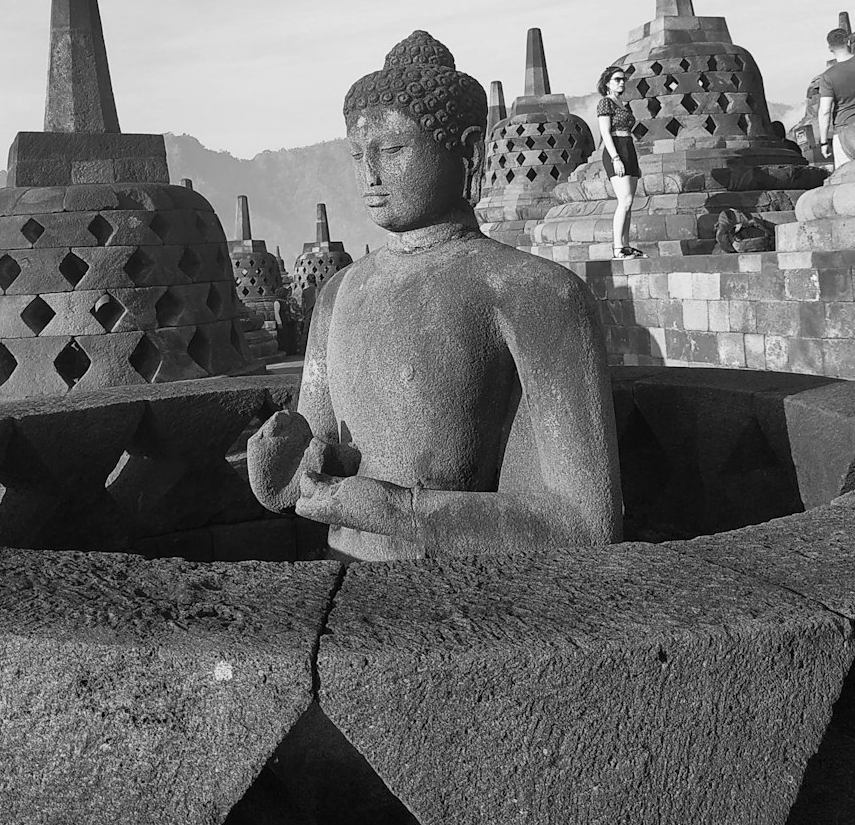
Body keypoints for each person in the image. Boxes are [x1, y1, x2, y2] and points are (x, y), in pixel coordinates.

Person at [247, 30, 622, 562]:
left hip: (468, 598)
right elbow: (317, 455)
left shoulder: (534, 294)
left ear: (467, 150)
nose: (371, 176)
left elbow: (583, 522)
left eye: (394, 150)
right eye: (358, 155)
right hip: (339, 583)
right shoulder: (337, 293)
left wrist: (396, 511)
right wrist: (284, 474)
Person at [596, 65, 643, 258]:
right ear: (607, 83)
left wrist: (634, 163)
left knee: (629, 203)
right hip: (615, 148)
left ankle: (626, 244)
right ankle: (617, 247)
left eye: (623, 79)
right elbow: (605, 133)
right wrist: (616, 158)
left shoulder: (623, 104)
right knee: (625, 200)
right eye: (617, 79)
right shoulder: (605, 103)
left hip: (628, 147)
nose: (621, 82)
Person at [817, 28, 855, 168]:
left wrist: (823, 142)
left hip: (845, 134)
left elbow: (825, 111)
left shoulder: (828, 76)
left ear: (830, 48)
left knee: (847, 180)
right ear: (848, 41)